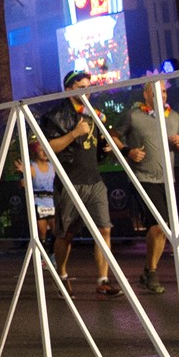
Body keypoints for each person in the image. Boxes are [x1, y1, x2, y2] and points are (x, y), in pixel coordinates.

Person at [42, 70, 119, 296]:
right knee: (65, 234)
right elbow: (49, 148)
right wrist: (74, 133)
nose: (86, 91)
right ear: (69, 90)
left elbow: (96, 146)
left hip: (94, 180)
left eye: (88, 87)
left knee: (104, 228)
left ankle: (103, 279)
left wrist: (104, 147)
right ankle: (62, 274)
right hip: (70, 181)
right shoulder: (56, 116)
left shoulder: (94, 115)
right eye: (80, 87)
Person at [120, 91, 179, 295]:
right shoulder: (134, 115)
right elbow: (114, 136)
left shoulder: (173, 116)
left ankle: (149, 271)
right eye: (157, 91)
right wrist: (128, 151)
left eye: (165, 91)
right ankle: (152, 273)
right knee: (158, 226)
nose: (162, 95)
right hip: (144, 178)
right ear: (147, 94)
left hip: (167, 180)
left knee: (165, 229)